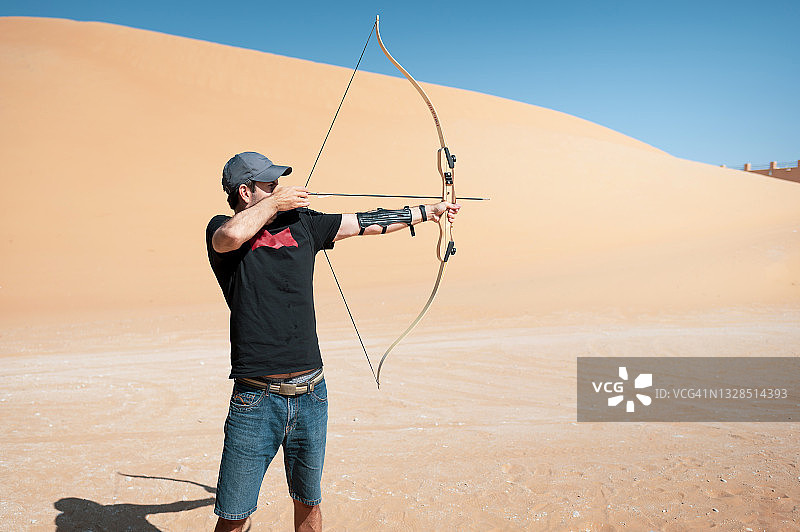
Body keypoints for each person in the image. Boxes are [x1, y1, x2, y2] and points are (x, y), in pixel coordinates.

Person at [206, 151, 460, 532]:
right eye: (269, 184)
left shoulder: (304, 224)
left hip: (312, 394)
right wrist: (276, 202)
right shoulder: (223, 229)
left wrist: (430, 212)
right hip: (255, 399)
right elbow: (229, 238)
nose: (278, 188)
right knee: (234, 515)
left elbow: (366, 222)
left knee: (308, 503)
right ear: (245, 191)